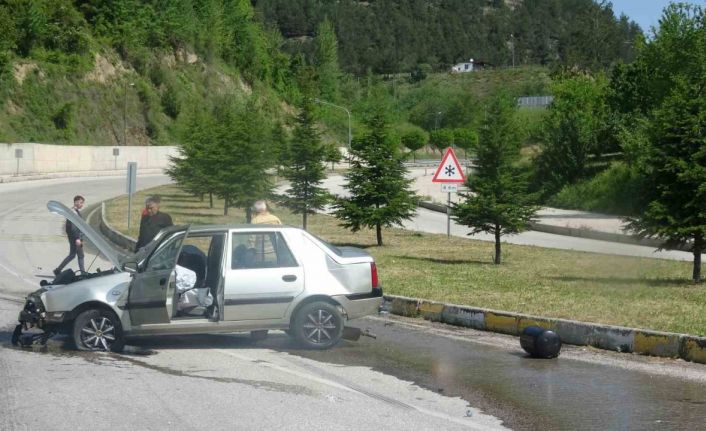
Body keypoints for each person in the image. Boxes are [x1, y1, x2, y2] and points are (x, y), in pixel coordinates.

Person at [54, 195, 86, 276]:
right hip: (75, 238)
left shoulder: (74, 211)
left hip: (75, 237)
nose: (82, 205)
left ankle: (58, 270)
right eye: (81, 202)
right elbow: (72, 227)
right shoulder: (73, 212)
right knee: (77, 255)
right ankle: (83, 273)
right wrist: (77, 238)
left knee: (75, 255)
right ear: (76, 202)